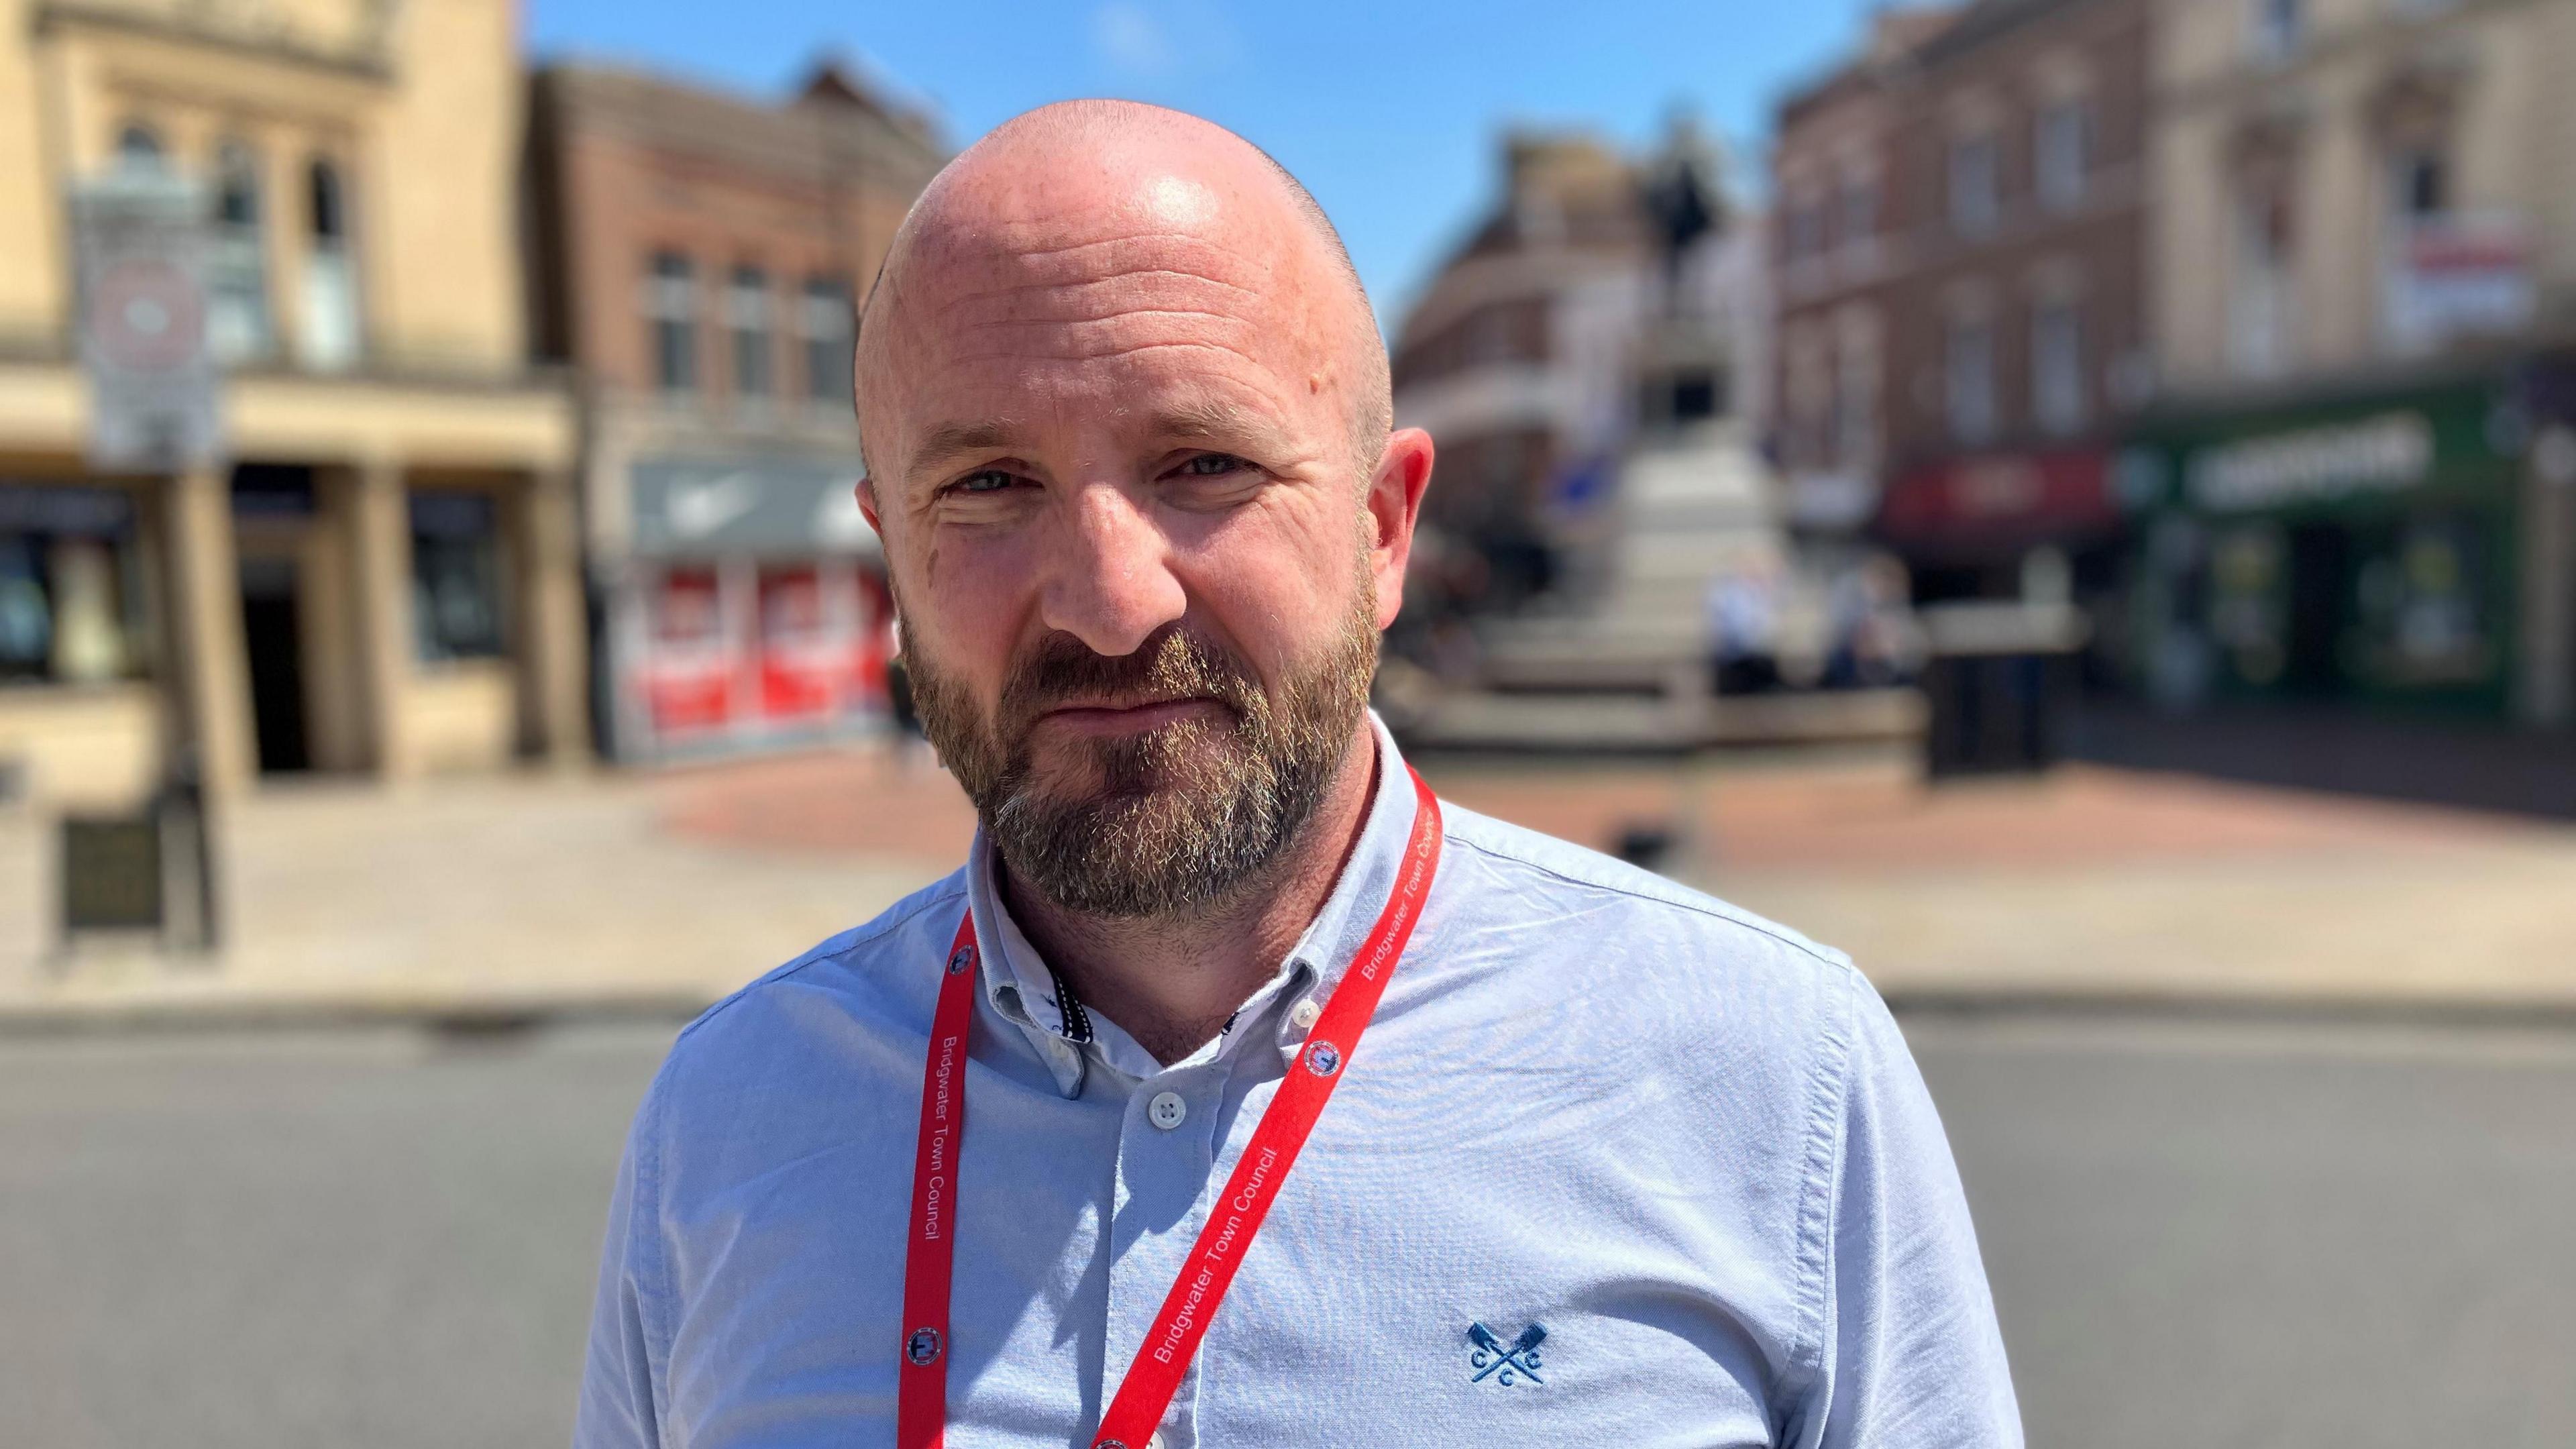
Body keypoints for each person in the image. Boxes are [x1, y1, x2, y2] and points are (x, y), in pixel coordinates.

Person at [576, 101, 2019, 1449]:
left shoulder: (1779, 1075)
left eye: (1202, 464)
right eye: (990, 486)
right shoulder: (727, 1120)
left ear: (1385, 532)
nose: (1109, 600)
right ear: (890, 552)